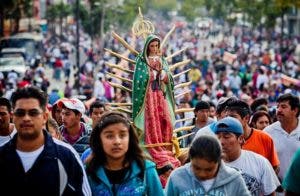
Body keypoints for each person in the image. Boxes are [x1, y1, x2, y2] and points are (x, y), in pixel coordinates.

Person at [0, 87, 91, 195]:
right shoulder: (2, 155)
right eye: (20, 113)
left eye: (33, 113)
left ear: (44, 117)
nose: (26, 118)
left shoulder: (67, 156)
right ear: (13, 116)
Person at [132, 35, 180, 172]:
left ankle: (164, 143)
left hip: (160, 95)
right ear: (147, 47)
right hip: (148, 97)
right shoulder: (142, 61)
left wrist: (164, 75)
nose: (154, 49)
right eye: (152, 46)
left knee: (164, 119)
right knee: (151, 119)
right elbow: (139, 80)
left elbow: (169, 78)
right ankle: (151, 144)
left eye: (156, 46)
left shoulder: (162, 60)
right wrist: (151, 75)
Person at [85, 111, 164, 195]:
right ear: (99, 139)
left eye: (122, 135)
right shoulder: (89, 171)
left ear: (130, 138)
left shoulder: (146, 170)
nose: (117, 142)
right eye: (109, 136)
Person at [165, 132, 250, 196]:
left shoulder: (234, 179)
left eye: (209, 169)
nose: (202, 174)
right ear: (190, 159)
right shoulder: (177, 177)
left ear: (219, 161)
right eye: (197, 168)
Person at [215, 117, 280, 196]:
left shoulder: (260, 162)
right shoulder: (206, 165)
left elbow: (270, 193)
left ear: (240, 139)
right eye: (218, 137)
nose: (221, 142)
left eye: (226, 137)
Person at [225, 99, 280, 173]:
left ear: (246, 118)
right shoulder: (223, 141)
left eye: (233, 117)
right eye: (226, 117)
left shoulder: (264, 138)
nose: (228, 120)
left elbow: (275, 167)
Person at [264, 93, 300, 182]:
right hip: (278, 189)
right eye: (278, 106)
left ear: (295, 110)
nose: (279, 110)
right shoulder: (268, 132)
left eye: (283, 107)